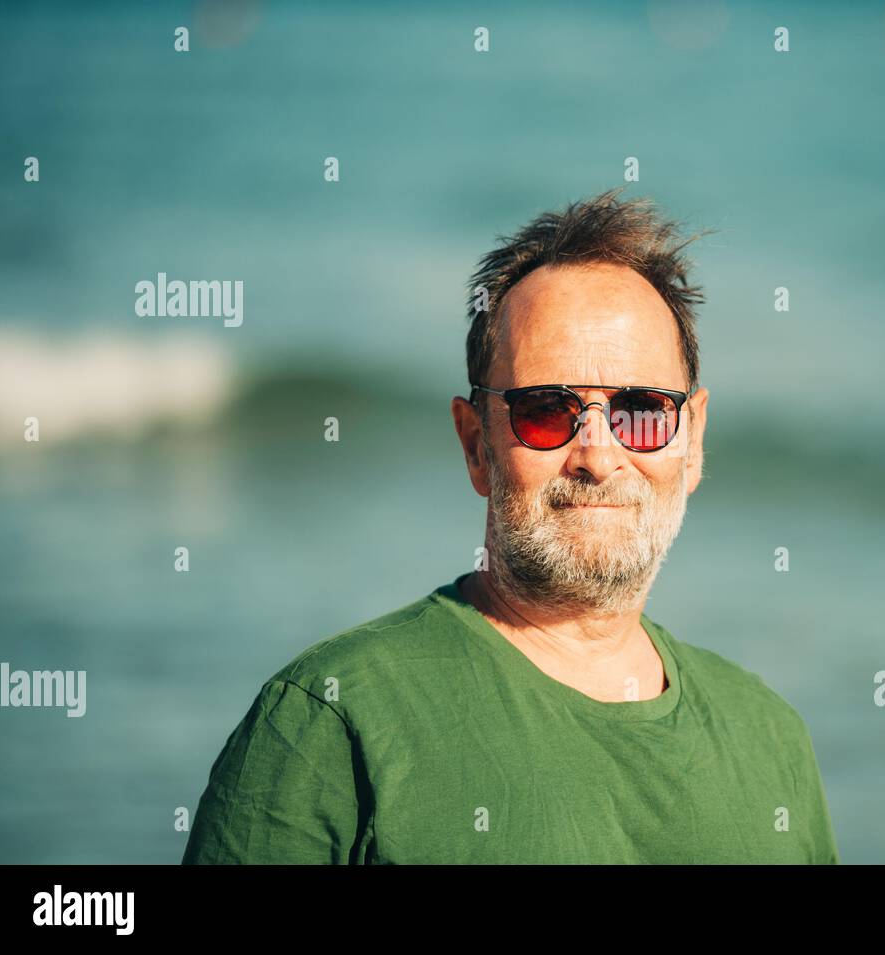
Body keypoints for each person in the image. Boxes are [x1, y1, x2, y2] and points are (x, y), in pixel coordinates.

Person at [182, 187, 839, 864]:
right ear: (475, 445)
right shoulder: (331, 720)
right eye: (548, 410)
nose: (597, 454)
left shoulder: (770, 739)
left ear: (691, 441)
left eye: (641, 410)